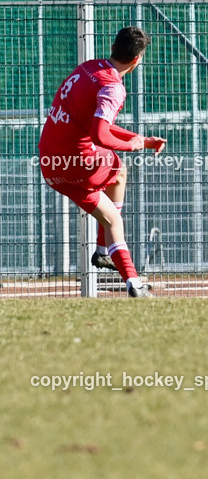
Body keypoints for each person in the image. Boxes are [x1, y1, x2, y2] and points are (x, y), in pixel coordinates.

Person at [38, 26, 166, 298]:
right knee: (118, 176)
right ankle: (109, 256)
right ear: (136, 60)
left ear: (112, 47)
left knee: (111, 213)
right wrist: (132, 145)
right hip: (78, 163)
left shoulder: (87, 68)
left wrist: (141, 139)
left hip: (50, 163)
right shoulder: (113, 87)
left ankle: (121, 270)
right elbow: (100, 134)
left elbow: (92, 125)